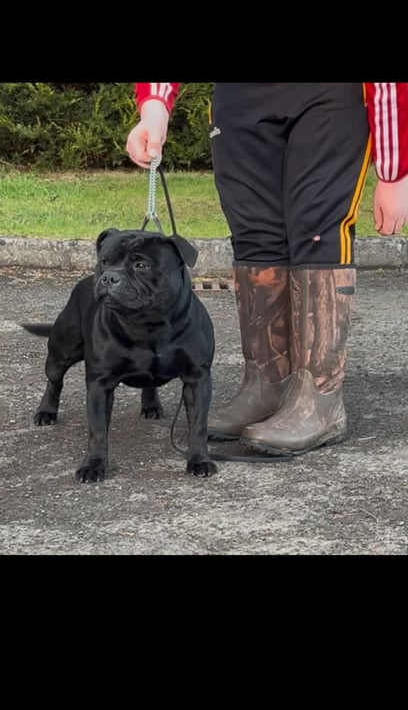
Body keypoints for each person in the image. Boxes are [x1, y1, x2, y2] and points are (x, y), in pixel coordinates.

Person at [126, 83, 408, 456]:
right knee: (253, 233)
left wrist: (395, 170)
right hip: (240, 97)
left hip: (330, 97)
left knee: (317, 232)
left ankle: (319, 400)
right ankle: (267, 384)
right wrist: (155, 105)